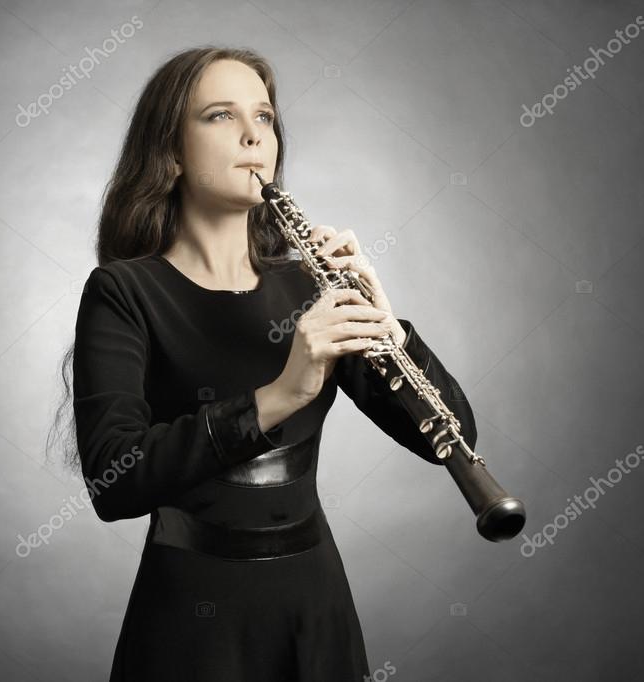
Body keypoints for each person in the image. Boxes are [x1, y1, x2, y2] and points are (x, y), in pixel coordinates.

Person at [50, 46, 477, 681]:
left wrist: (391, 330)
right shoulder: (123, 292)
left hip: (315, 607)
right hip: (192, 624)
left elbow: (454, 441)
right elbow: (114, 483)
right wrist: (281, 393)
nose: (255, 134)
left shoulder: (310, 286)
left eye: (265, 117)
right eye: (220, 116)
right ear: (170, 154)